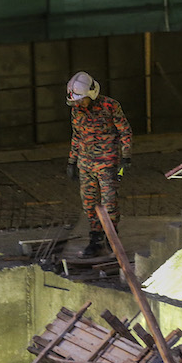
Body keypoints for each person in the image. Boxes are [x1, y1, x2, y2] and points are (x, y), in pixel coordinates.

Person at [65, 71, 132, 257]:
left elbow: (124, 131)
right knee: (89, 203)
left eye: (81, 99)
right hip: (85, 164)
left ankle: (112, 239)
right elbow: (77, 136)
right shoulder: (76, 110)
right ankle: (95, 240)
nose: (78, 103)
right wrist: (72, 161)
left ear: (91, 93)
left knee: (109, 203)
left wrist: (126, 156)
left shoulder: (110, 106)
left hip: (107, 164)